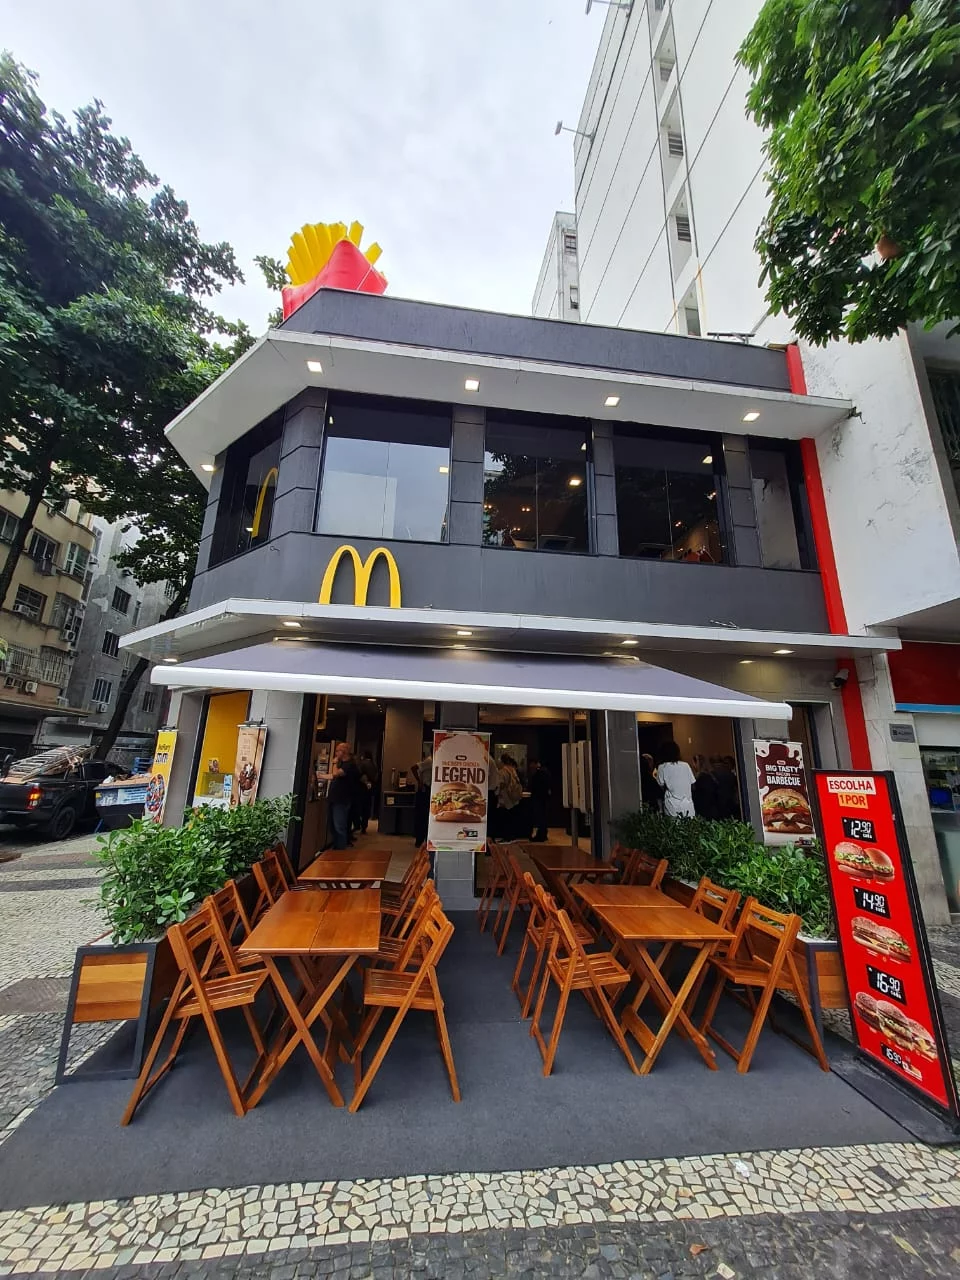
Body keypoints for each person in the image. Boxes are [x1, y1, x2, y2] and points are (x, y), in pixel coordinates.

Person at [326, 742, 360, 850]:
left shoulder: (349, 765)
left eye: (337, 751)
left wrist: (334, 763)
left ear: (343, 752)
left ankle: (340, 851)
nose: (336, 753)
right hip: (335, 799)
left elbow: (335, 774)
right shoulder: (344, 764)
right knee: (333, 826)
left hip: (341, 800)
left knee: (339, 826)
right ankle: (337, 847)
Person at [655, 741, 696, 818]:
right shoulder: (685, 765)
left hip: (671, 806)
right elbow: (693, 785)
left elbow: (660, 786)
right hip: (688, 805)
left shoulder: (662, 767)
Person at [495, 753, 523, 839]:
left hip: (505, 799)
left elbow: (502, 784)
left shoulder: (502, 771)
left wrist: (497, 791)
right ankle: (511, 836)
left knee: (504, 819)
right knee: (511, 818)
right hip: (513, 798)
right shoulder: (513, 770)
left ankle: (506, 836)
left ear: (502, 761)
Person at [527, 757, 551, 842]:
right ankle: (543, 834)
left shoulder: (540, 773)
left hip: (539, 798)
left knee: (540, 816)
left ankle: (541, 835)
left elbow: (536, 786)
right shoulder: (545, 772)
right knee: (543, 816)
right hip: (543, 798)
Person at [412, 747, 433, 847]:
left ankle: (423, 837)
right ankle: (419, 839)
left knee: (425, 816)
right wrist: (419, 781)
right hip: (425, 789)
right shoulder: (429, 760)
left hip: (429, 789)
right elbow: (414, 767)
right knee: (422, 815)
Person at [691, 753, 720, 819]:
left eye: (693, 763)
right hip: (712, 808)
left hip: (705, 810)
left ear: (697, 764)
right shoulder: (710, 776)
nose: (692, 765)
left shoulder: (702, 778)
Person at [712, 755, 741, 819]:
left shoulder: (735, 775)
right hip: (723, 803)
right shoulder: (719, 775)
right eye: (724, 763)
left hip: (732, 803)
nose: (725, 765)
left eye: (727, 763)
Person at [357, 750, 379, 834]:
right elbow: (376, 777)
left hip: (362, 788)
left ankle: (358, 824)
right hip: (370, 789)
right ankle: (364, 827)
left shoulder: (362, 764)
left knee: (360, 807)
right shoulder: (374, 765)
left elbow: (358, 774)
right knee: (367, 808)